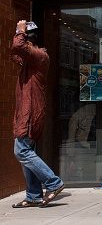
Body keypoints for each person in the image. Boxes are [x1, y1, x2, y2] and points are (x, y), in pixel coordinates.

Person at [10, 20, 65, 208]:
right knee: (28, 153)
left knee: (21, 150)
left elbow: (18, 46)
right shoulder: (30, 60)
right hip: (27, 112)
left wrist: (19, 30)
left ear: (29, 41)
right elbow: (15, 52)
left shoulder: (40, 56)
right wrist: (20, 34)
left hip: (31, 113)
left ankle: (53, 182)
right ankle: (33, 195)